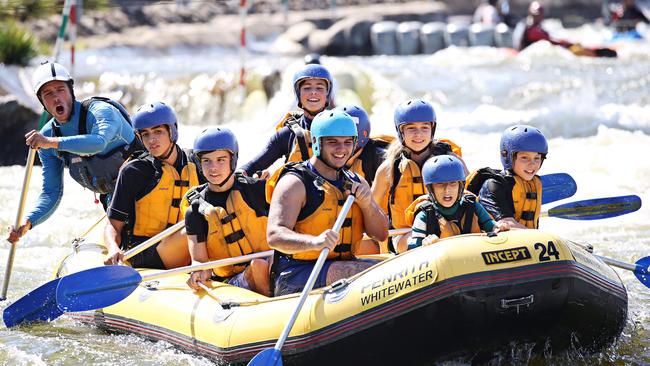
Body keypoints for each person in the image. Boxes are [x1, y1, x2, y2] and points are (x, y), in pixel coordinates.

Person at [7, 61, 141, 245]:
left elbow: (98, 142)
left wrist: (52, 143)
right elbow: (51, 192)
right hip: (115, 202)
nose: (56, 98)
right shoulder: (48, 136)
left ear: (71, 91)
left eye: (60, 89)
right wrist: (28, 222)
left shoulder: (101, 112)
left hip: (152, 188)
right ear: (42, 102)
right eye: (48, 94)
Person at [266, 110, 388, 296]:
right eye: (333, 142)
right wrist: (314, 242)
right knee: (368, 274)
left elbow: (381, 235)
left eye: (348, 142)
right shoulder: (295, 183)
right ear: (316, 142)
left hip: (341, 263)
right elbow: (274, 236)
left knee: (392, 268)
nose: (342, 149)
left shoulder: (357, 181)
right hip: (297, 273)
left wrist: (366, 204)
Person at [104, 102, 200, 269]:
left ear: (172, 131)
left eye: (158, 131)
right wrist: (113, 247)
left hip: (188, 245)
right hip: (146, 252)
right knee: (196, 227)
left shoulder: (197, 162)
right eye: (145, 134)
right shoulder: (134, 170)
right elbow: (113, 224)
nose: (152, 140)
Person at [182, 127, 271, 296]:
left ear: (233, 160)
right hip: (231, 282)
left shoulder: (256, 189)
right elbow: (199, 261)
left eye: (221, 160)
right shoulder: (195, 210)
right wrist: (199, 272)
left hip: (271, 265)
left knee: (268, 262)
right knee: (259, 265)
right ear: (199, 164)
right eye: (207, 161)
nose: (213, 168)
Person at [371, 99, 464, 253]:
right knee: (418, 240)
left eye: (424, 128)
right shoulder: (389, 168)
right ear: (401, 131)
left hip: (448, 228)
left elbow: (470, 198)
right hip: (403, 235)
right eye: (411, 128)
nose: (418, 134)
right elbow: (371, 210)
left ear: (432, 130)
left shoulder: (451, 160)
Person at [239, 64, 333, 178]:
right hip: (295, 193)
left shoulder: (341, 130)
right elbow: (253, 166)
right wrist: (239, 175)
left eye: (319, 88)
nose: (313, 92)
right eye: (307, 88)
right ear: (298, 93)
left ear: (327, 93)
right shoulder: (288, 134)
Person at [406, 155, 509, 250]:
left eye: (453, 183)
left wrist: (497, 227)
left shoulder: (472, 206)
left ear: (460, 186)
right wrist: (425, 245)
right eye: (440, 184)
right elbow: (413, 248)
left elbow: (489, 225)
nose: (447, 190)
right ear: (430, 189)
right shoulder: (424, 216)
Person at [465, 124, 547, 229]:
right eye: (525, 157)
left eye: (537, 158)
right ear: (507, 156)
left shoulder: (534, 183)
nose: (532, 164)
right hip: (493, 240)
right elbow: (508, 224)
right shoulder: (494, 185)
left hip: (525, 238)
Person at [516, 1, 617, 57]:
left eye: (540, 15)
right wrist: (569, 44)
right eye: (537, 15)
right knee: (578, 48)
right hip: (532, 52)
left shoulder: (532, 27)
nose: (539, 17)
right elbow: (550, 41)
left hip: (543, 50)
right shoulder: (532, 30)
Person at [334, 104, 391, 186]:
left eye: (348, 138)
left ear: (364, 134)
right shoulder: (324, 154)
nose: (341, 146)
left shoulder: (379, 158)